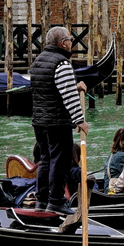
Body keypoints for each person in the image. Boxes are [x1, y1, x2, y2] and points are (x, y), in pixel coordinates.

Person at [29, 25, 88, 215]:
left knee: (45, 159)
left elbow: (50, 89)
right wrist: (80, 120)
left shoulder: (38, 62)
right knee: (60, 162)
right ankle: (55, 201)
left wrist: (74, 82)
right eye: (70, 40)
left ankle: (42, 201)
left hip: (39, 121)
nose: (72, 43)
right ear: (63, 43)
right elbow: (68, 95)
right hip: (57, 122)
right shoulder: (61, 63)